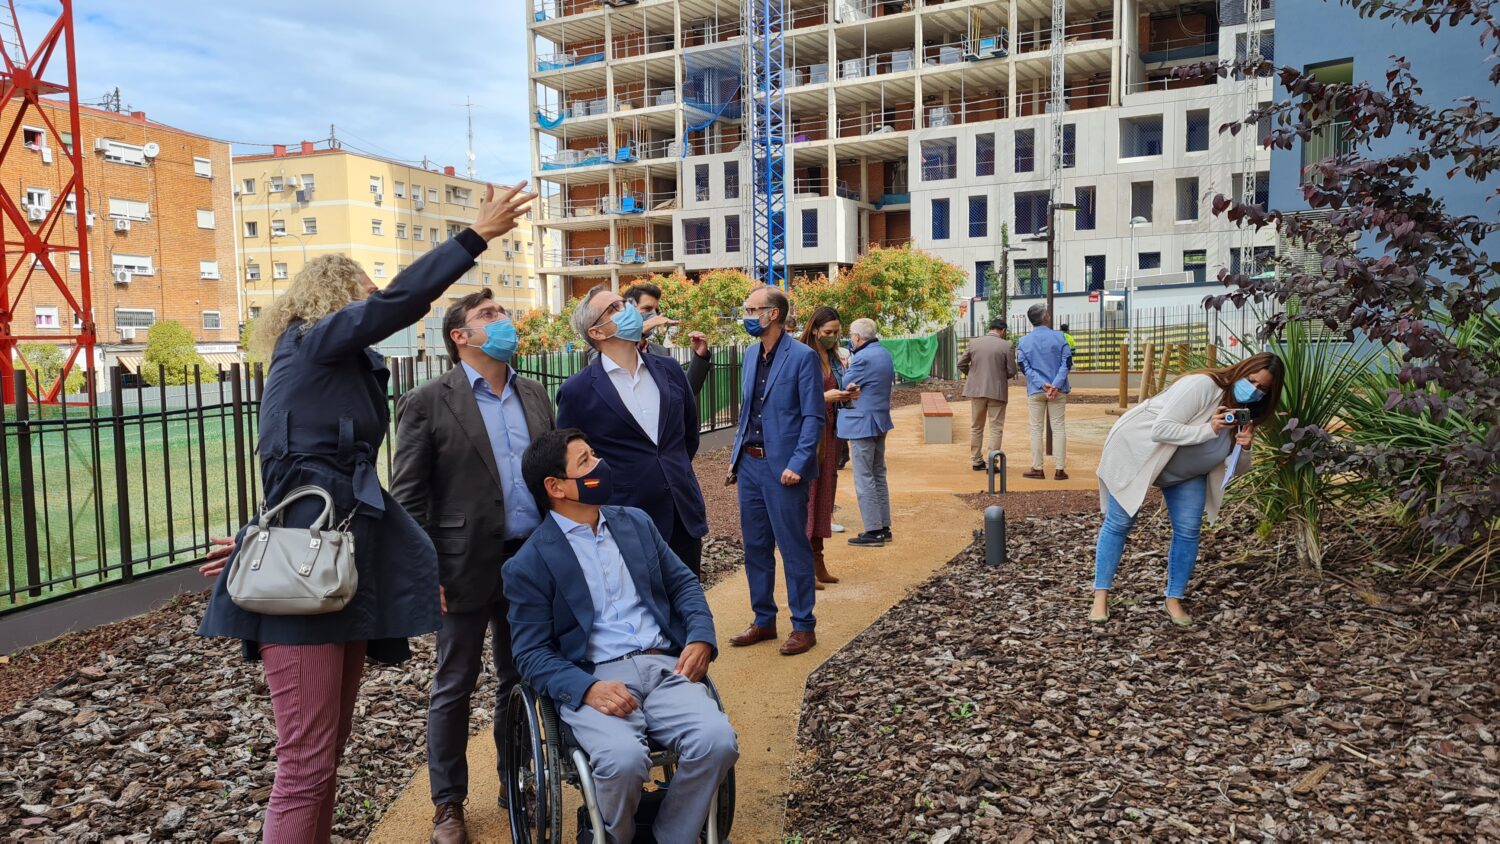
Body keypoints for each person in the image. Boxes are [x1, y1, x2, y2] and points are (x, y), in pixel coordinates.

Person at [197, 183, 535, 843]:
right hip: (309, 580)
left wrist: (258, 533)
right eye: (365, 292)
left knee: (324, 755)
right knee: (305, 762)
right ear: (336, 296)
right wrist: (474, 237)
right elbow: (303, 468)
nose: (376, 300)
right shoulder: (311, 342)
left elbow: (309, 472)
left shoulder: (333, 366)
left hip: (331, 566)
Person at [505, 429, 738, 843]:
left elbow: (683, 584)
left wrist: (701, 637)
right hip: (595, 678)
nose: (600, 465)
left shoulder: (635, 523)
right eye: (585, 462)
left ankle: (671, 836)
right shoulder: (529, 564)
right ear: (555, 487)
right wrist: (587, 688)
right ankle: (616, 836)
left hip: (663, 667)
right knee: (623, 761)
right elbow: (530, 653)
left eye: (594, 454)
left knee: (717, 742)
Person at [390, 288, 555, 843]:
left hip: (530, 560)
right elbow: (407, 497)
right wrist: (423, 571)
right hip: (460, 566)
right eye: (489, 315)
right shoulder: (428, 401)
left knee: (520, 676)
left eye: (502, 312)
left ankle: (516, 781)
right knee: (454, 683)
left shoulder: (534, 394)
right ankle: (448, 805)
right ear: (460, 336)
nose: (503, 320)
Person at [1090, 352, 1285, 626]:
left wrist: (1245, 446)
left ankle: (1174, 598)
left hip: (1187, 473)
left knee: (1189, 529)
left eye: (1262, 388)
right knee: (1120, 522)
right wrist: (1209, 429)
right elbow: (1161, 429)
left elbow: (1237, 469)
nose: (1254, 390)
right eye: (1251, 380)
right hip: (1137, 453)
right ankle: (1100, 597)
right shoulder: (1203, 385)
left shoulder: (1244, 413)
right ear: (1241, 371)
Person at [556, 285, 709, 578]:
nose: (626, 309)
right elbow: (571, 464)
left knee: (687, 600)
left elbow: (688, 437)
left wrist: (673, 473)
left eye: (624, 303)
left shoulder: (670, 369)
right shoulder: (577, 392)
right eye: (613, 308)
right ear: (596, 332)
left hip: (682, 515)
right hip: (625, 522)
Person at [726, 285, 825, 656]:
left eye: (753, 310)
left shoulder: (802, 357)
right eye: (747, 309)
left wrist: (798, 463)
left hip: (783, 468)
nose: (747, 316)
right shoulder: (751, 354)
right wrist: (736, 458)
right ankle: (764, 620)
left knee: (793, 547)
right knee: (755, 547)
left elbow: (813, 417)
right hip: (750, 464)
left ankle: (803, 626)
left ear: (774, 314)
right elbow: (748, 412)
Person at [798, 306, 850, 588]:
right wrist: (823, 397)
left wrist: (846, 393)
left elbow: (833, 389)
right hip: (808, 435)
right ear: (815, 329)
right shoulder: (801, 355)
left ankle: (818, 559)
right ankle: (805, 564)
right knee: (809, 495)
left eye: (837, 332)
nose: (833, 336)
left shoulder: (832, 356)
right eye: (828, 332)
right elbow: (792, 398)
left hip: (829, 433)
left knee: (824, 494)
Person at [838, 318, 896, 548]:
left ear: (857, 337)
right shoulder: (883, 353)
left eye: (851, 335)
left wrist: (845, 367)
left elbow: (845, 382)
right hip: (880, 419)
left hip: (862, 422)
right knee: (878, 472)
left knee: (864, 476)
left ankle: (873, 530)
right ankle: (883, 526)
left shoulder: (862, 358)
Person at [625, 281, 714, 397]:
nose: (654, 316)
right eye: (647, 308)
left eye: (656, 311)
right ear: (628, 311)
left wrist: (700, 355)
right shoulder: (610, 347)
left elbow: (688, 387)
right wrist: (639, 330)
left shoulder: (660, 351)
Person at [1015, 304, 1073, 481]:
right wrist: (1055, 384)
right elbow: (1067, 363)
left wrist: (1042, 384)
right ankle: (1059, 469)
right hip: (1058, 390)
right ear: (1045, 317)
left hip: (1036, 389)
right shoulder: (1060, 337)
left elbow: (1024, 367)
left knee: (1036, 429)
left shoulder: (1023, 342)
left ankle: (1037, 468)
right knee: (1058, 427)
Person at [959, 318, 1019, 471]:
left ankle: (976, 460)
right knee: (996, 427)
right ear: (1003, 331)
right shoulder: (1006, 345)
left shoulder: (974, 343)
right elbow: (1012, 370)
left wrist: (974, 375)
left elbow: (961, 363)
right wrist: (999, 377)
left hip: (976, 390)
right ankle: (992, 463)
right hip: (997, 391)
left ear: (990, 328)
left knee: (976, 426)